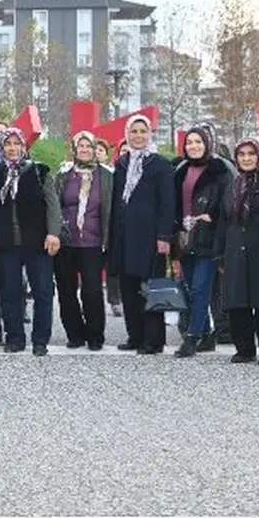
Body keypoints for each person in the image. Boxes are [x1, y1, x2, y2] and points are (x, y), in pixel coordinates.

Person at [109, 114, 175, 355]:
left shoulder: (160, 164)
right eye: (134, 131)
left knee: (150, 287)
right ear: (127, 134)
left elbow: (168, 203)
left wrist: (164, 236)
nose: (138, 136)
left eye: (142, 131)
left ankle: (153, 340)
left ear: (149, 134)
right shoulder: (122, 164)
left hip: (150, 236)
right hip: (125, 235)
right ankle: (135, 335)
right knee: (128, 287)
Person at [0, 128, 60, 355]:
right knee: (10, 292)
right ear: (2, 148)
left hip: (37, 241)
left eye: (16, 144)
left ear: (24, 147)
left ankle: (40, 340)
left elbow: (53, 205)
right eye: (8, 144)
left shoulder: (39, 171)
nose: (12, 148)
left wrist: (53, 233)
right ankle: (15, 338)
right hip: (7, 243)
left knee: (43, 292)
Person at [217, 137, 259, 366]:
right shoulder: (232, 186)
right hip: (235, 249)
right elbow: (223, 221)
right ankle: (244, 349)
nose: (246, 159)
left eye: (251, 154)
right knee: (238, 302)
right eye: (242, 154)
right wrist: (220, 253)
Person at [171, 125, 233, 358]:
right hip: (184, 237)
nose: (194, 146)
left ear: (207, 144)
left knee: (200, 289)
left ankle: (192, 337)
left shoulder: (220, 170)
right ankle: (206, 334)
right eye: (190, 142)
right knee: (189, 289)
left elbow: (230, 202)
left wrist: (213, 217)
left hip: (209, 237)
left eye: (198, 142)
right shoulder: (180, 170)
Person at [55, 131, 113, 351]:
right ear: (74, 150)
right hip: (66, 243)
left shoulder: (106, 176)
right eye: (81, 146)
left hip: (93, 243)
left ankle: (95, 335)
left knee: (92, 291)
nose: (85, 150)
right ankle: (75, 334)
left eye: (89, 146)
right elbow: (55, 205)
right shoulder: (64, 175)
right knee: (66, 290)